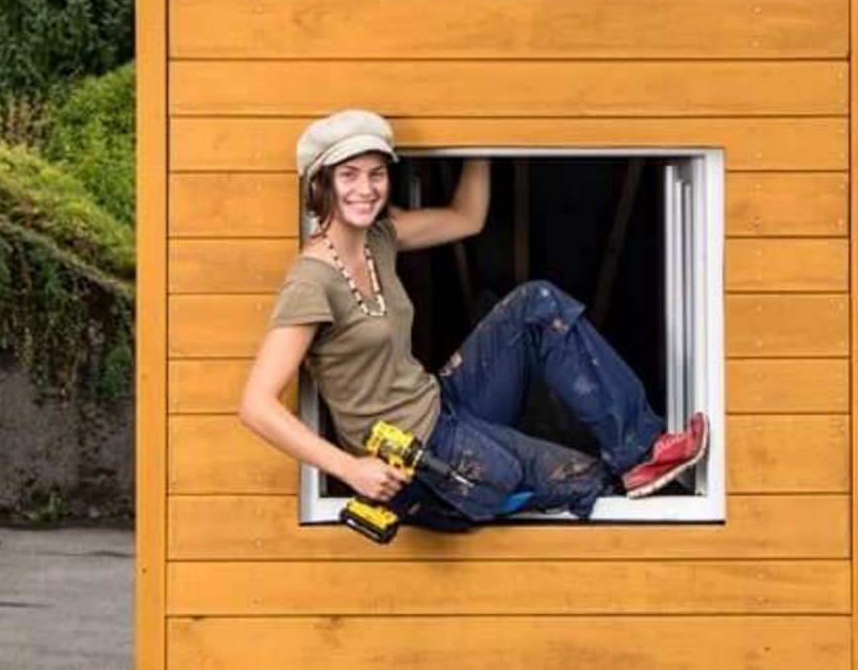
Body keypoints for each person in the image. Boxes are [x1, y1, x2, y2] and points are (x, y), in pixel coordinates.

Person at [239, 108, 709, 526]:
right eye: (349, 175)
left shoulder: (377, 238)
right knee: (580, 476)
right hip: (418, 456)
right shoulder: (311, 282)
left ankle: (640, 450)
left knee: (537, 304)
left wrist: (482, 130)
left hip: (444, 404)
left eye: (377, 174)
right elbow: (256, 406)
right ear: (322, 182)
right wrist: (349, 468)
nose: (366, 189)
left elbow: (467, 217)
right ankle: (487, 489)